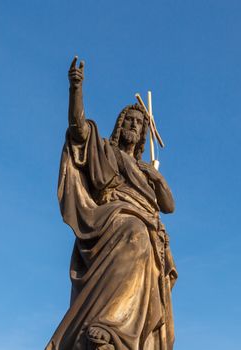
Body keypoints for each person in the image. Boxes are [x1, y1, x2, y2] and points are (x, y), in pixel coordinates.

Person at [45, 57, 177, 350]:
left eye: (139, 123)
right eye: (128, 120)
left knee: (143, 239)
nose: (133, 125)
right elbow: (79, 130)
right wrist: (75, 89)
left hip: (145, 227)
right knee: (136, 233)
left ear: (144, 133)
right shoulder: (105, 151)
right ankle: (109, 325)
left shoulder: (145, 170)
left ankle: (125, 332)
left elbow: (168, 206)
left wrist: (155, 176)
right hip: (113, 220)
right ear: (120, 124)